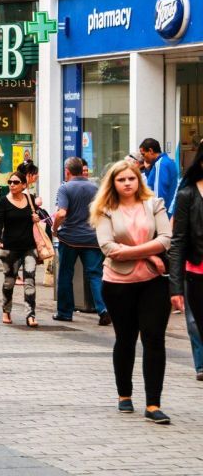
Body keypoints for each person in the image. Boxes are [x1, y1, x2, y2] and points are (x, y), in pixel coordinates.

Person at [92, 160, 172, 423]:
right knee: (125, 338)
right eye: (121, 180)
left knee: (154, 338)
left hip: (154, 282)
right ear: (113, 183)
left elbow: (166, 239)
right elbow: (108, 248)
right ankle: (124, 395)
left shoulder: (155, 204)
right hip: (118, 283)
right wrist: (150, 256)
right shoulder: (105, 210)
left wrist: (140, 256)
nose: (127, 183)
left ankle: (153, 403)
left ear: (139, 180)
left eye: (131, 179)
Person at [53, 157, 109, 325]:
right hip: (92, 239)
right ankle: (103, 309)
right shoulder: (95, 188)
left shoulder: (65, 188)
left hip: (69, 239)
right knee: (95, 275)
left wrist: (55, 229)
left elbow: (61, 213)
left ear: (67, 171)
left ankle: (65, 312)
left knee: (65, 275)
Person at [167, 142, 203, 381]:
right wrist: (175, 287)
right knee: (195, 322)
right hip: (196, 270)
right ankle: (201, 364)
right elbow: (178, 242)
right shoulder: (187, 194)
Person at [0, 171, 41, 328]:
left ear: (23, 185)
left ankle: (30, 314)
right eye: (10, 182)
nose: (12, 185)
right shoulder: (3, 203)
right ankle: (6, 310)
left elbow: (38, 217)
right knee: (9, 282)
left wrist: (36, 218)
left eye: (15, 182)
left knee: (30, 280)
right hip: (10, 248)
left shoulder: (30, 200)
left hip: (29, 247)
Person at [140, 138, 179, 215]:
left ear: (151, 151)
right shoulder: (166, 161)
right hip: (168, 209)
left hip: (163, 212)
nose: (143, 158)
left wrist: (156, 213)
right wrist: (148, 169)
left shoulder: (160, 164)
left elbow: (159, 193)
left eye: (143, 154)